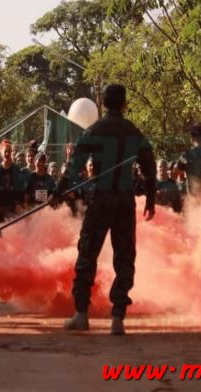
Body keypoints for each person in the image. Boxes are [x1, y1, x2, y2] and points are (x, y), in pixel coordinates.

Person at [61, 84, 156, 335]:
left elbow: (74, 165)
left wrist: (58, 192)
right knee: (124, 257)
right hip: (125, 201)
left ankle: (81, 314)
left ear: (103, 104)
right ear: (124, 104)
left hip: (101, 199)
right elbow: (149, 167)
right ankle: (118, 317)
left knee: (87, 255)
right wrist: (151, 199)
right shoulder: (133, 131)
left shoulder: (94, 130)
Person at [0, 141, 23, 222]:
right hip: (1, 202)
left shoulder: (16, 168)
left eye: (9, 151)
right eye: (5, 151)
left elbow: (18, 186)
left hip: (13, 203)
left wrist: (19, 202)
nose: (7, 153)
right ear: (2, 153)